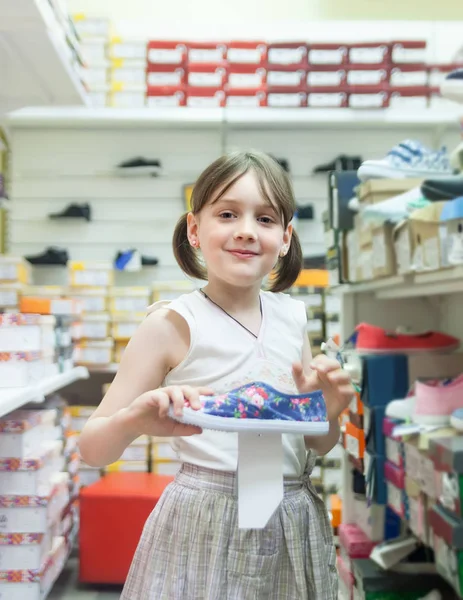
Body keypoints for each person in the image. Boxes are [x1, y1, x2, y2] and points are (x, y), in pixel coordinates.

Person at [79, 150, 354, 599]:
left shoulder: (293, 318)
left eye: (265, 219)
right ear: (194, 229)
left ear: (285, 238)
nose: (246, 229)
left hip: (291, 517)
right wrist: (134, 421)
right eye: (227, 213)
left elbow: (318, 444)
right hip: (204, 518)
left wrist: (328, 413)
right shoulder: (171, 323)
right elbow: (91, 449)